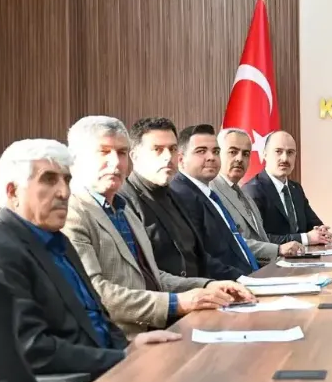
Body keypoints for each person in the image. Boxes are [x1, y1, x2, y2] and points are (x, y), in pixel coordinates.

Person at [0, 139, 180, 381]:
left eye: (66, 180)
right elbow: (31, 350)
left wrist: (131, 347)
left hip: (104, 370)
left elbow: (97, 321)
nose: (64, 192)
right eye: (49, 179)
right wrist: (121, 358)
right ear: (13, 192)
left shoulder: (58, 242)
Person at [62, 116, 253, 335]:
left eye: (121, 153)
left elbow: (152, 276)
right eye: (104, 152)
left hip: (158, 329)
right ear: (75, 160)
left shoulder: (122, 209)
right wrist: (177, 303)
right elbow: (94, 291)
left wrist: (207, 286)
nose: (115, 162)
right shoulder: (71, 213)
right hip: (118, 341)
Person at [121, 117, 242, 280]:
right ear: (135, 156)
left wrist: (242, 280)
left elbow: (199, 258)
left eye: (172, 149)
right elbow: (142, 274)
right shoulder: (122, 202)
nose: (168, 157)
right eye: (157, 149)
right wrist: (203, 287)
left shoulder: (177, 196)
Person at [169, 124, 258, 278]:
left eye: (216, 151)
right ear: (181, 159)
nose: (211, 157)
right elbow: (198, 258)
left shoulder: (207, 193)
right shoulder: (181, 195)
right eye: (201, 151)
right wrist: (243, 280)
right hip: (227, 285)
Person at [211, 127, 302, 265]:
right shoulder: (211, 192)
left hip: (265, 270)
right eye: (233, 152)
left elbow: (261, 239)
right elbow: (228, 243)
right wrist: (278, 250)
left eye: (246, 154)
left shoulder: (244, 194)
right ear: (217, 154)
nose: (239, 159)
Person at [244, 130, 332, 245]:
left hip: (304, 255)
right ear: (264, 154)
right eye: (278, 151)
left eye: (290, 152)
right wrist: (305, 238)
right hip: (272, 257)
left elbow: (314, 224)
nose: (285, 158)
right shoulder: (253, 190)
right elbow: (258, 239)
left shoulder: (295, 188)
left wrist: (321, 231)